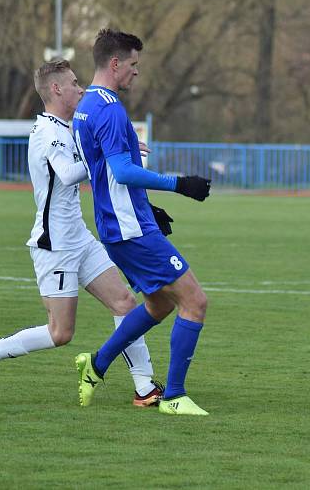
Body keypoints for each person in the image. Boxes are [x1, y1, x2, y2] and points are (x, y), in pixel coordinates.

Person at [0, 59, 163, 407]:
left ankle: (145, 389)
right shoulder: (47, 133)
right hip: (54, 244)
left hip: (78, 237)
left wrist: (121, 152)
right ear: (56, 89)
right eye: (74, 83)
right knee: (60, 333)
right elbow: (67, 174)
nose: (81, 89)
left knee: (125, 303)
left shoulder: (68, 127)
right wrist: (110, 158)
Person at [72, 29, 213, 416]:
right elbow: (121, 171)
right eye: (133, 65)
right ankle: (174, 396)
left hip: (118, 223)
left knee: (159, 304)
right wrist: (181, 184)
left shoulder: (86, 105)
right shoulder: (110, 108)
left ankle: (97, 363)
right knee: (195, 302)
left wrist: (145, 204)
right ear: (115, 64)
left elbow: (104, 165)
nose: (137, 72)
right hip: (129, 228)